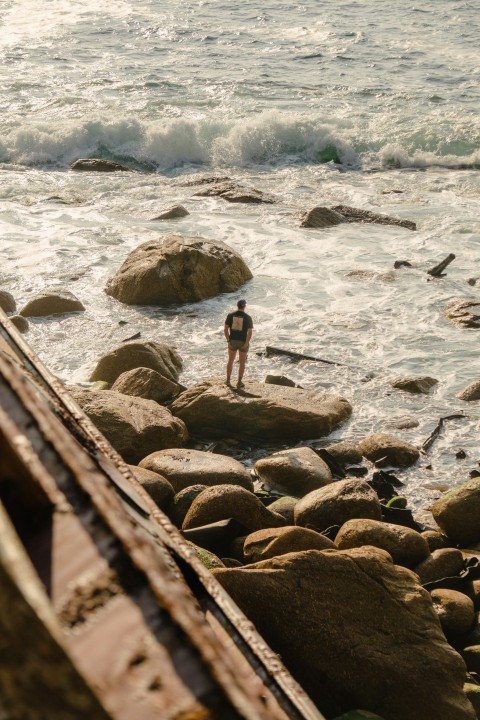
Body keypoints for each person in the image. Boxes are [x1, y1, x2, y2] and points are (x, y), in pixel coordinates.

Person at [224, 299, 253, 388]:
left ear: (237, 305)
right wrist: (246, 343)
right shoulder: (248, 317)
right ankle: (239, 382)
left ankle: (228, 381)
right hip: (243, 342)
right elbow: (250, 332)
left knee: (230, 361)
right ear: (244, 306)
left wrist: (228, 341)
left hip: (232, 341)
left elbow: (225, 329)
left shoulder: (230, 315)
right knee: (242, 363)